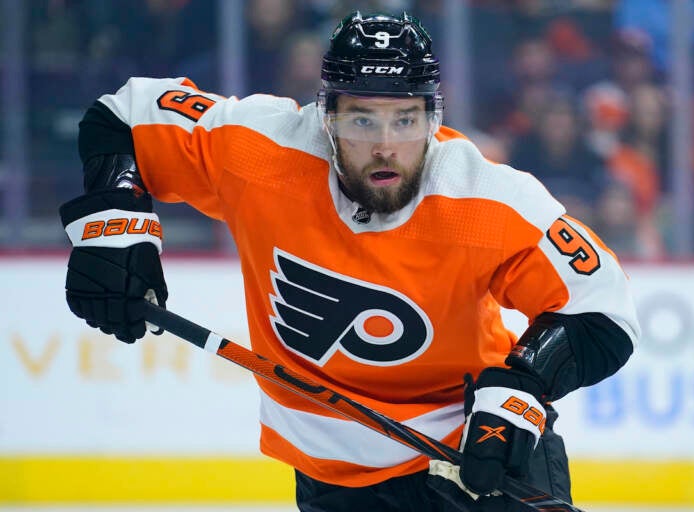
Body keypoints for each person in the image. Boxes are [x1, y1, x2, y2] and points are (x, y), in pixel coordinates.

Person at [59, 11, 639, 512]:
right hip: (334, 476)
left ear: (433, 118)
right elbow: (126, 114)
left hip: (478, 448)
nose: (386, 144)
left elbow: (602, 305)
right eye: (362, 119)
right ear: (326, 116)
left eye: (405, 119)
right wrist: (113, 231)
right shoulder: (263, 150)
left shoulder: (485, 198)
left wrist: (518, 395)